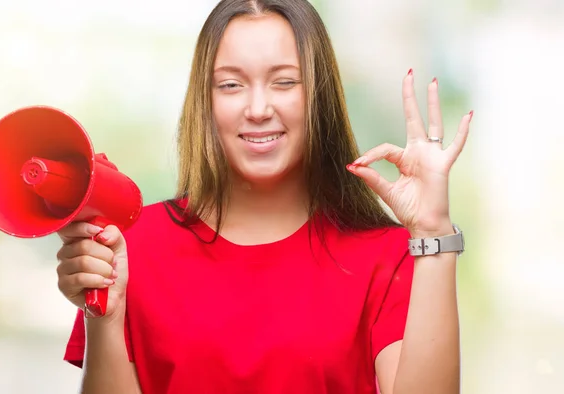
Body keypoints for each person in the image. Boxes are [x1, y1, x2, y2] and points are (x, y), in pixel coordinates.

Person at [56, 0, 472, 393]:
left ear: (318, 97)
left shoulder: (389, 256)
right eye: (231, 84)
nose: (258, 108)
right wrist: (104, 318)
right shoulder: (131, 245)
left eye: (284, 82)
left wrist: (433, 230)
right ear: (206, 99)